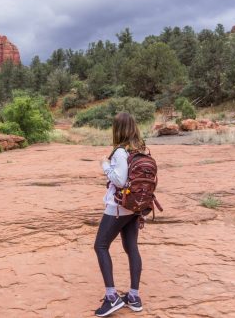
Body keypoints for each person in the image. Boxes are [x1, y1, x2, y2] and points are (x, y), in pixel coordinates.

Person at [94, 112, 145, 317]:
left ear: (118, 129)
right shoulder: (140, 150)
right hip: (135, 207)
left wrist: (105, 166)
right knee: (131, 247)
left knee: (100, 245)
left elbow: (120, 181)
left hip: (118, 208)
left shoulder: (120, 152)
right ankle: (133, 296)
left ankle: (112, 296)